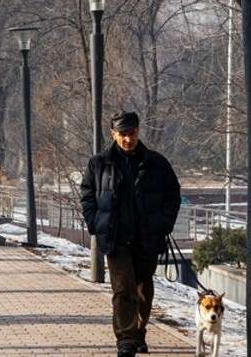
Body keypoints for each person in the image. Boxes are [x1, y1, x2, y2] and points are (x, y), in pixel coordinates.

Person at [80, 111, 181, 357]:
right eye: (123, 135)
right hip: (115, 238)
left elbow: (173, 195)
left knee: (143, 288)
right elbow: (87, 195)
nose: (128, 139)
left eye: (132, 133)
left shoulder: (157, 163)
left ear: (138, 132)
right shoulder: (99, 163)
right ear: (113, 134)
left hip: (148, 237)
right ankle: (126, 339)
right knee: (123, 288)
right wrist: (96, 223)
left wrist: (163, 223)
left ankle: (139, 331)